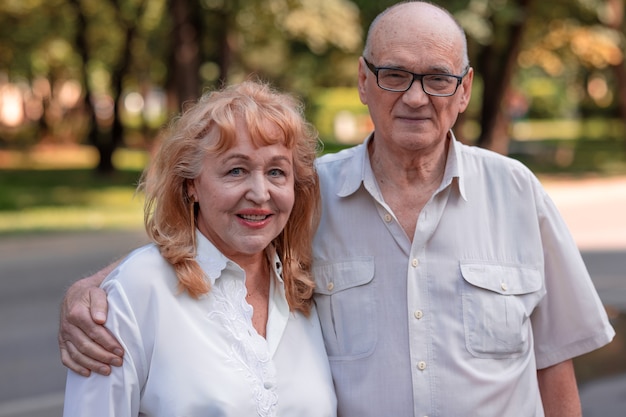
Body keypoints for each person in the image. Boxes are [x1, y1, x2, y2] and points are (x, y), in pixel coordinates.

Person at [59, 2, 615, 416]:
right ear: (363, 81)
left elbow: (554, 360)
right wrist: (94, 293)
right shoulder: (307, 197)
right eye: (394, 74)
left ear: (465, 89)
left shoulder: (517, 193)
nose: (416, 97)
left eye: (438, 79)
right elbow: (213, 244)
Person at [61, 80, 337, 417]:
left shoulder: (305, 290)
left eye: (277, 172)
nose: (261, 192)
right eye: (236, 170)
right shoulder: (138, 289)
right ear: (191, 184)